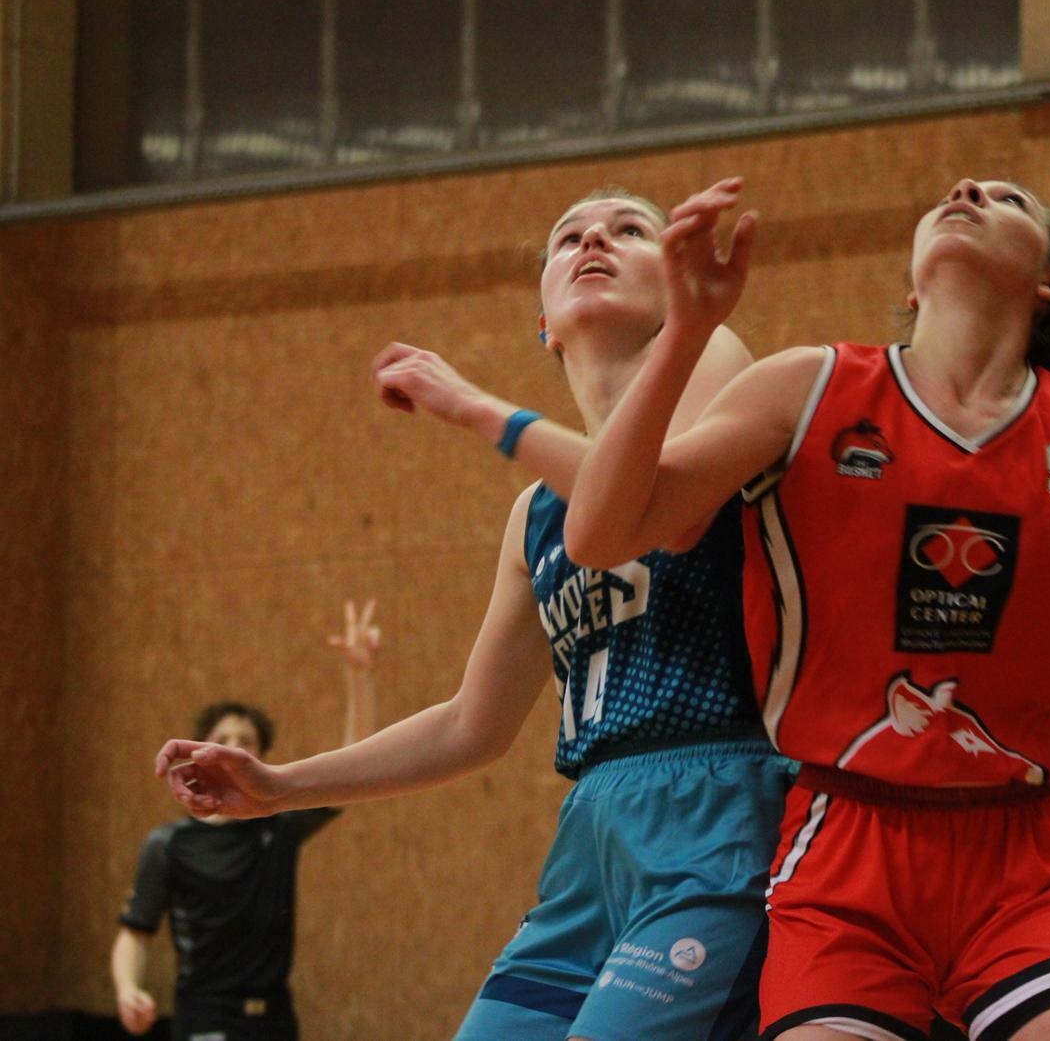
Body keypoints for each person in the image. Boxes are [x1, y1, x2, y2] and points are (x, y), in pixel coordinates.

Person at [564, 177, 1050, 1041]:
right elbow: (600, 536)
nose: (969, 189)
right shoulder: (807, 389)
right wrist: (686, 330)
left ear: (1049, 284)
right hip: (846, 843)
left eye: (1009, 199)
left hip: (1027, 851)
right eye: (955, 192)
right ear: (911, 286)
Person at [156, 185, 791, 1041]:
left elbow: (654, 513)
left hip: (719, 811)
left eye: (628, 229)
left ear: (675, 283)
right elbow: (470, 725)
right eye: (568, 236)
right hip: (593, 837)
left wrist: (476, 408)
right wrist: (279, 787)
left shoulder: (714, 357)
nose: (593, 239)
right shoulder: (535, 516)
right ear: (544, 323)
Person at [111, 598, 381, 1041]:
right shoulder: (169, 844)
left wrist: (359, 675)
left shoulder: (279, 825)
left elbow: (356, 770)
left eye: (246, 742)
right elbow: (135, 932)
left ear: (260, 758)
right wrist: (127, 989)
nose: (234, 748)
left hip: (273, 1020)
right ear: (199, 754)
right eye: (222, 739)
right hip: (205, 1019)